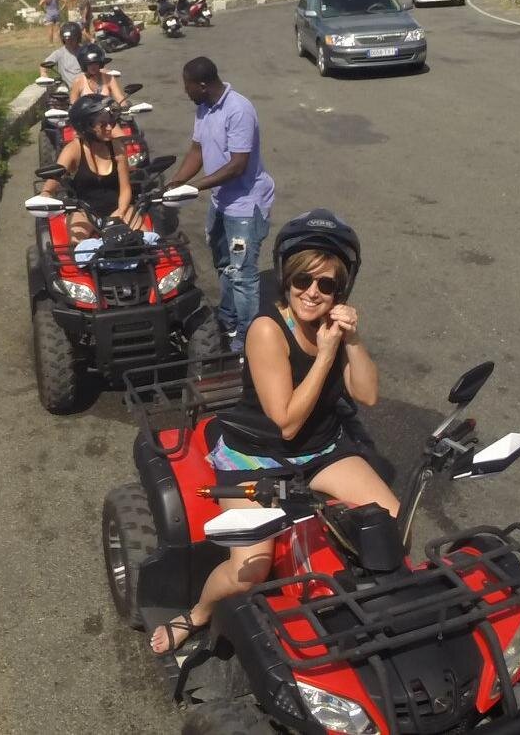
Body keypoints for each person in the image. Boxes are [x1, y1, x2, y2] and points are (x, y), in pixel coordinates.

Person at [151, 211, 395, 655]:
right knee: (250, 568)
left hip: (320, 449)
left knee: (391, 524)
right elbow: (286, 422)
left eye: (326, 285)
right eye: (302, 280)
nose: (312, 292)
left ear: (341, 291)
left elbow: (368, 394)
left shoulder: (332, 327)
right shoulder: (268, 330)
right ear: (287, 277)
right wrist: (326, 355)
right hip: (257, 454)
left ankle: (372, 608)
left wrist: (353, 340)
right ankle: (198, 613)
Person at [171, 57, 274, 345]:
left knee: (242, 275)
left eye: (188, 86)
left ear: (203, 85)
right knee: (224, 264)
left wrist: (193, 187)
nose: (185, 91)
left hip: (245, 206)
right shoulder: (203, 108)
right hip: (221, 203)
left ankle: (248, 340)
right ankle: (228, 320)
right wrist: (174, 184)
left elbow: (237, 165)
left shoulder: (238, 110)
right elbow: (197, 151)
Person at [40, 94, 132, 240]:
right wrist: (46, 195)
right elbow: (52, 183)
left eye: (111, 122)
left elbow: (125, 188)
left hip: (119, 209)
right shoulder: (73, 149)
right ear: (86, 127)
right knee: (79, 245)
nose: (109, 128)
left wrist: (120, 212)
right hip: (84, 213)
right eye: (103, 124)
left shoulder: (118, 147)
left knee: (146, 241)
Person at [69, 44, 128, 109]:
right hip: (86, 114)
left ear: (100, 63)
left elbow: (120, 98)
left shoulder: (109, 78)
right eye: (89, 64)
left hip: (107, 114)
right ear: (84, 65)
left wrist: (124, 106)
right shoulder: (78, 81)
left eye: (96, 63)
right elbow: (73, 106)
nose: (93, 66)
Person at [41, 21, 86, 87]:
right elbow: (43, 65)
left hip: (85, 87)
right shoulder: (59, 53)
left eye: (72, 38)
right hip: (67, 88)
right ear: (63, 39)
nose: (69, 41)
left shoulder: (85, 51)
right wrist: (43, 73)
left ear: (78, 37)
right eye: (67, 39)